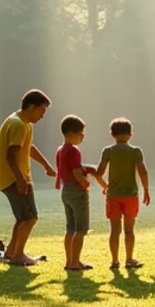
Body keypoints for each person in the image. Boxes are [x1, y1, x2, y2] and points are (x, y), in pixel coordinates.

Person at [0, 89, 57, 266]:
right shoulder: (18, 124)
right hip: (14, 179)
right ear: (31, 107)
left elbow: (28, 147)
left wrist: (46, 165)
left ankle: (11, 251)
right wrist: (21, 180)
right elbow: (11, 156)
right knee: (30, 218)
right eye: (42, 110)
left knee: (22, 218)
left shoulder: (23, 123)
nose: (43, 115)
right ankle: (18, 256)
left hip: (13, 179)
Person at [95, 116, 149, 270]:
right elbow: (143, 172)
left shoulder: (108, 151)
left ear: (112, 134)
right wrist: (146, 190)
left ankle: (114, 261)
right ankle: (129, 259)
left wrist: (105, 186)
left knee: (114, 231)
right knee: (129, 230)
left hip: (113, 196)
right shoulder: (135, 151)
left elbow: (98, 174)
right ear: (130, 134)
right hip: (131, 195)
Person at [55, 115, 106, 272]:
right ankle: (75, 262)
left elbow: (68, 168)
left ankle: (69, 261)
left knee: (70, 229)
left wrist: (85, 169)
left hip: (66, 190)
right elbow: (76, 173)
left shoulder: (61, 150)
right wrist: (85, 183)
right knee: (81, 229)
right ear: (72, 133)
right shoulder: (74, 151)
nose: (83, 137)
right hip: (77, 192)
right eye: (81, 133)